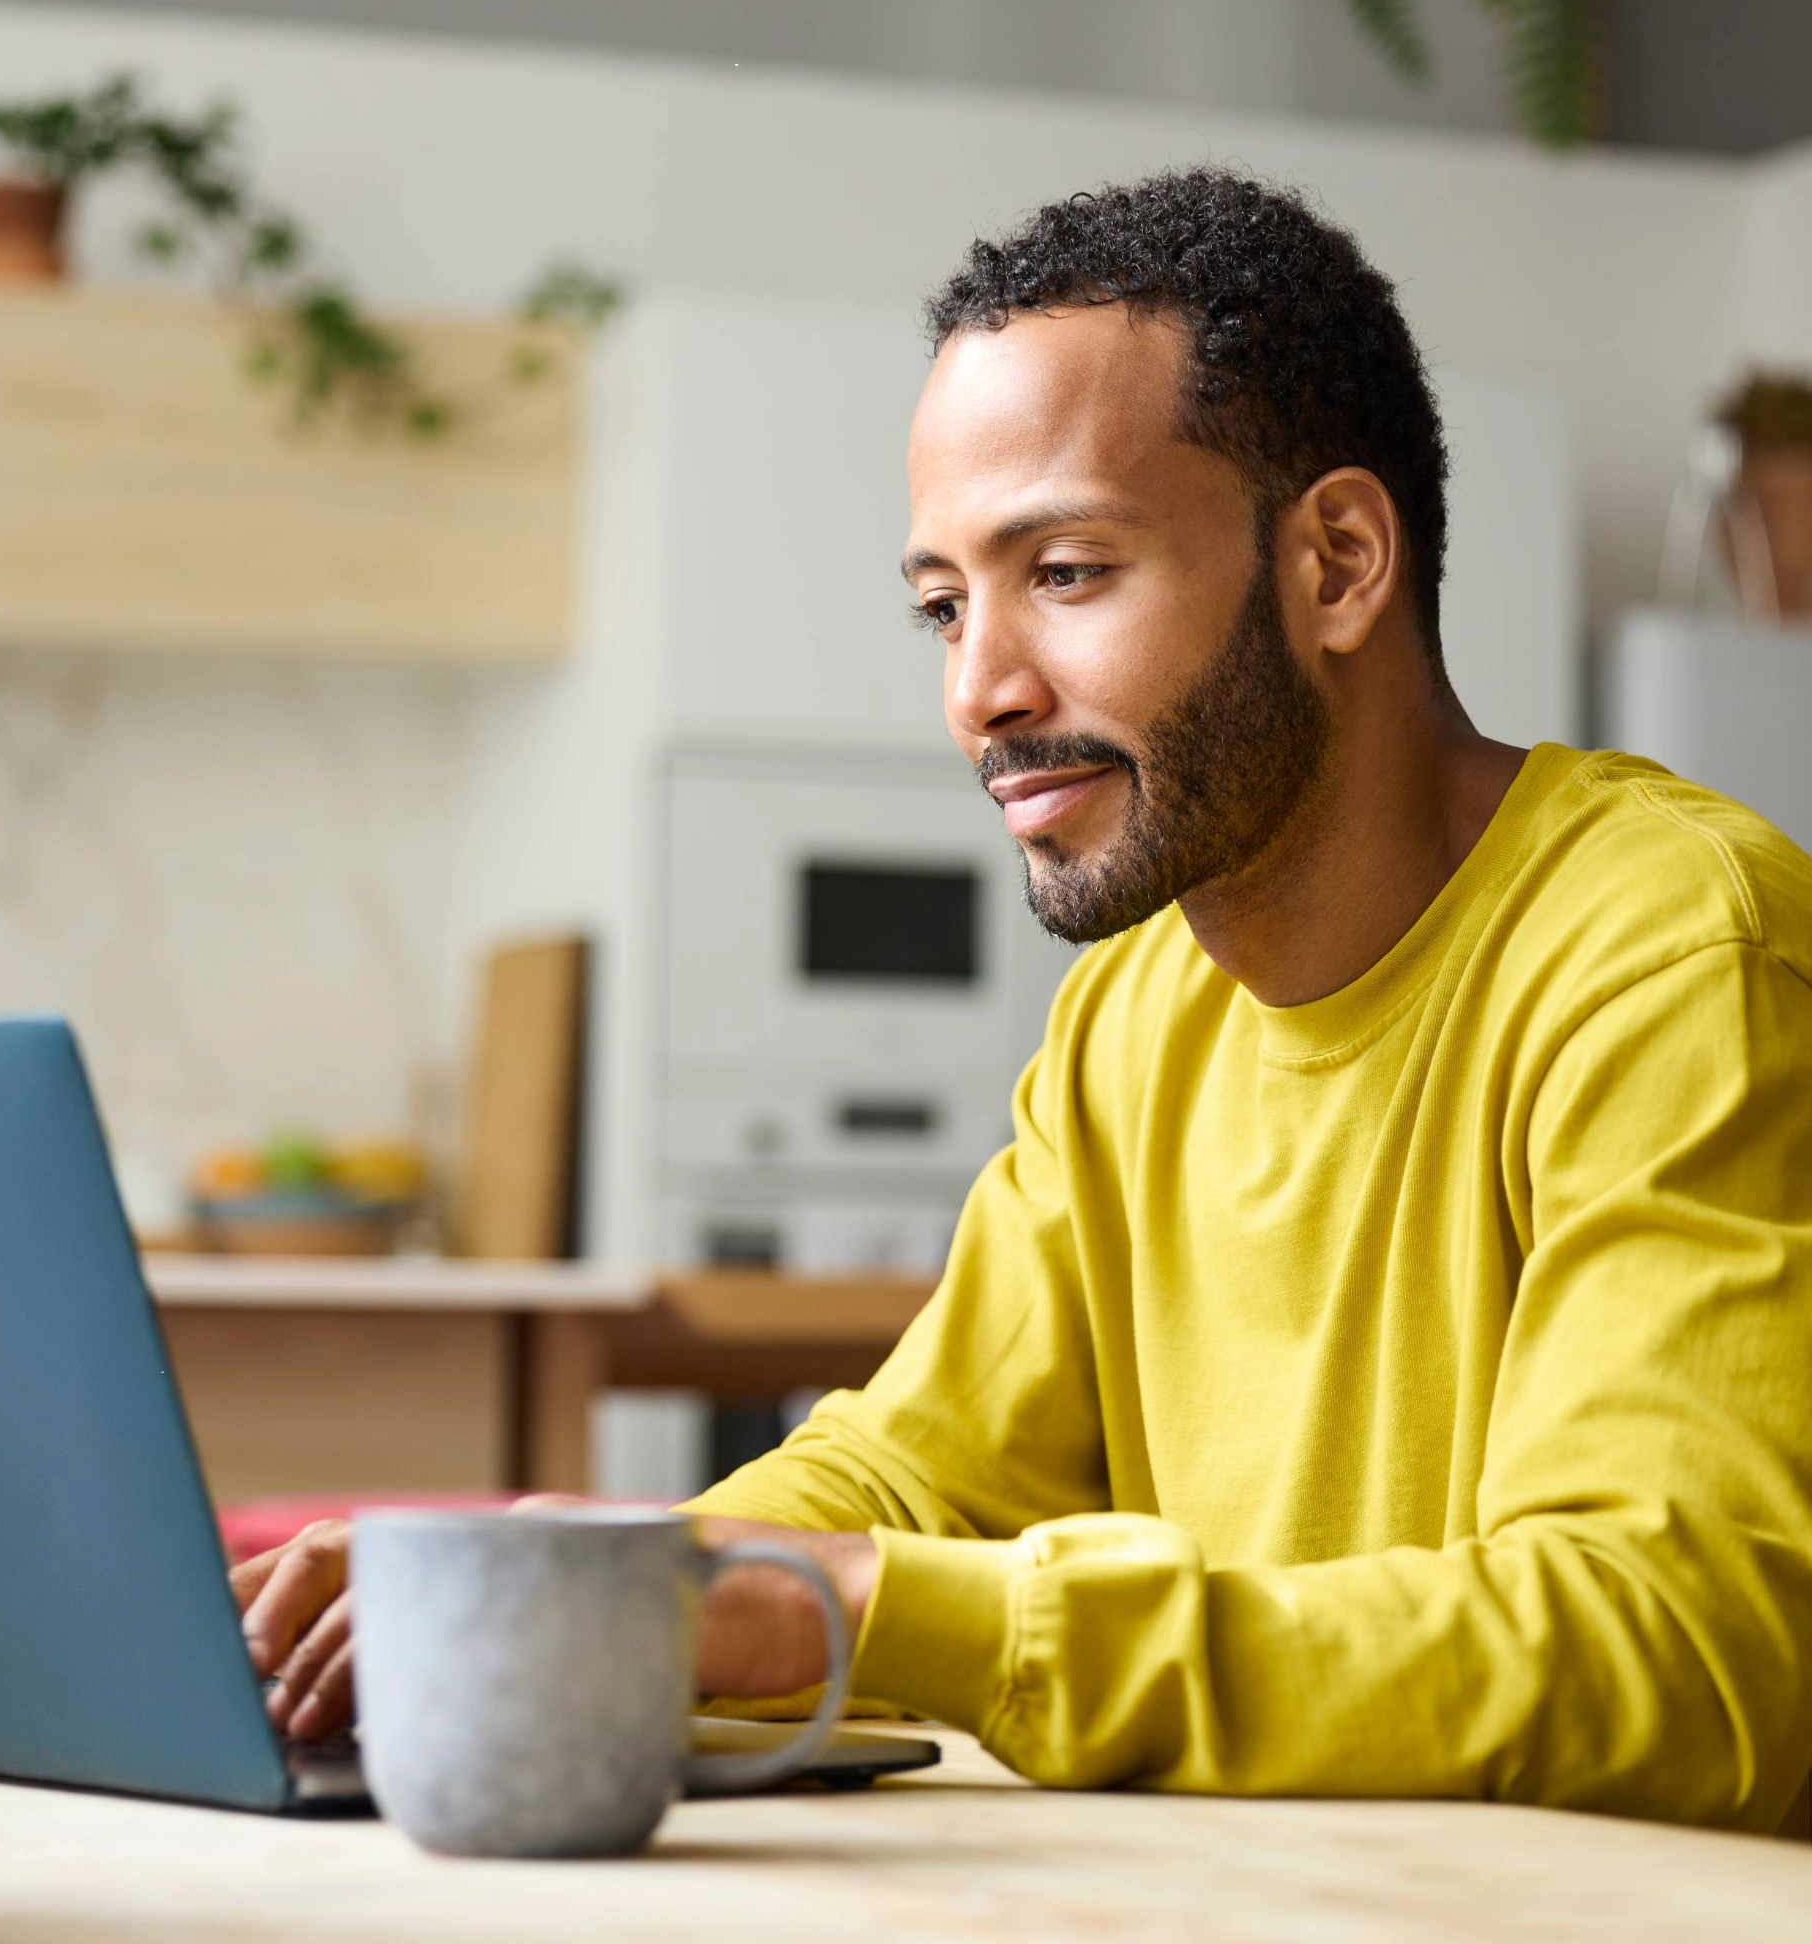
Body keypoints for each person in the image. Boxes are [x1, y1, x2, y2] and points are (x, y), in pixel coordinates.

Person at [231, 168, 1812, 1834]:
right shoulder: (1138, 1009)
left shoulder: (1674, 954)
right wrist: (594, 1572)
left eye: (1062, 571)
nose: (980, 692)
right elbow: (919, 1470)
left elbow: (1682, 1644)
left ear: (1337, 561)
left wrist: (858, 1608)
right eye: (942, 604)